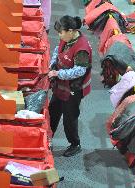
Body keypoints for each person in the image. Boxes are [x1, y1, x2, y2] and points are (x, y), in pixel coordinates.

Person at [47, 15, 92, 157]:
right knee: (52, 113)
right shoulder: (66, 38)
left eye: (61, 32)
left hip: (74, 89)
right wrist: (53, 63)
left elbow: (79, 71)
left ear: (71, 31)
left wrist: (58, 73)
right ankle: (47, 139)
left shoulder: (82, 48)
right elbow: (57, 50)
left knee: (69, 119)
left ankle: (75, 144)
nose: (59, 35)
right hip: (60, 86)